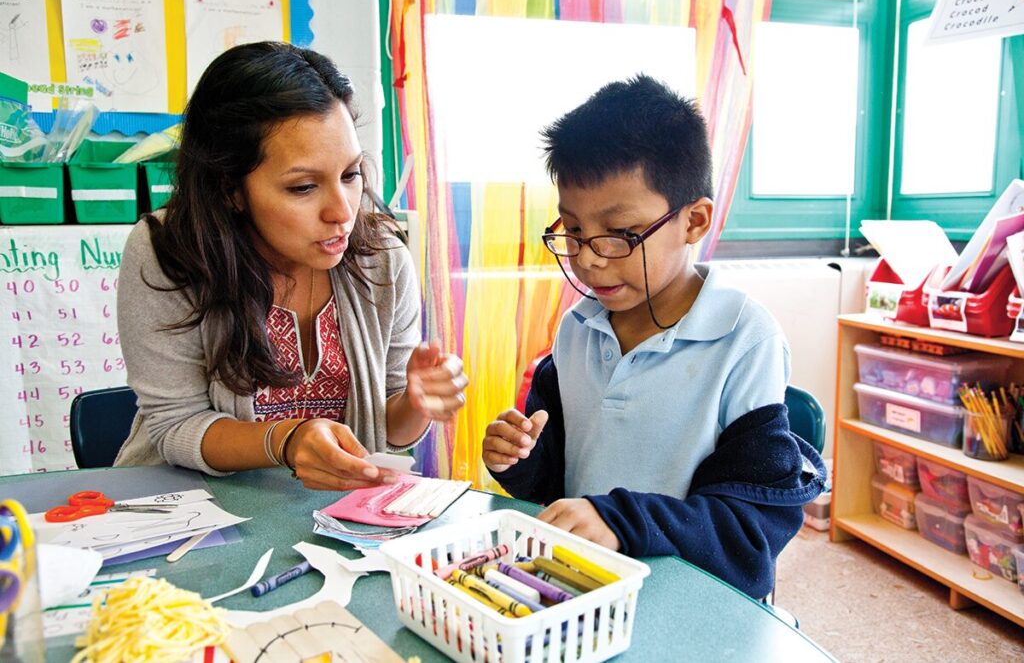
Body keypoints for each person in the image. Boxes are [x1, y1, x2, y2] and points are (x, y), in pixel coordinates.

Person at [482, 75, 826, 599]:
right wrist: (521, 457)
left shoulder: (743, 342)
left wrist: (620, 521)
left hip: (691, 600)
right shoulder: (578, 330)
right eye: (573, 231)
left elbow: (751, 528)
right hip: (581, 591)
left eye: (621, 235)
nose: (590, 257)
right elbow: (558, 480)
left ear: (694, 220)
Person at [115, 42, 467, 490]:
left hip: (326, 514)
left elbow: (389, 430)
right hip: (188, 511)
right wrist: (286, 441)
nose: (342, 211)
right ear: (231, 189)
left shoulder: (382, 256)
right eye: (303, 187)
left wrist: (417, 404)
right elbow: (175, 426)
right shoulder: (168, 251)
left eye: (351, 174)